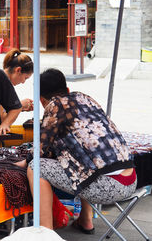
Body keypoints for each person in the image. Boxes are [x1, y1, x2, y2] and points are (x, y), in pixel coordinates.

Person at [18, 68, 136, 233]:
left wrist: (25, 160)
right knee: (83, 161)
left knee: (36, 167)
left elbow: (41, 150)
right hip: (131, 180)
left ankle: (45, 232)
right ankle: (85, 220)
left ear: (41, 99)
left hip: (109, 187)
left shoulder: (54, 105)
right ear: (67, 89)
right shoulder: (85, 98)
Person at [1, 48, 34, 147]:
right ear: (18, 70)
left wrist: (20, 107)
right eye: (25, 78)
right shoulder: (2, 83)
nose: (23, 82)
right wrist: (19, 106)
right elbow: (2, 121)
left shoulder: (3, 81)